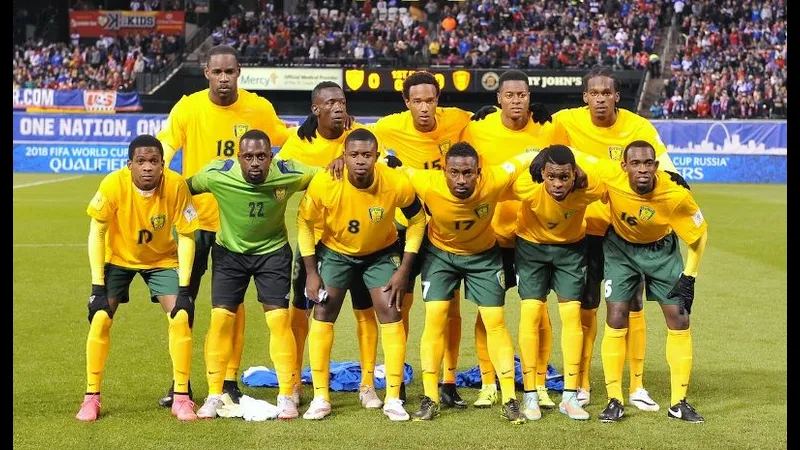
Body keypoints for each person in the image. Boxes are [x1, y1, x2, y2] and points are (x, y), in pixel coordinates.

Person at [156, 44, 291, 407]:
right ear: (207, 73)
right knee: (182, 300)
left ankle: (229, 381)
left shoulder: (258, 108)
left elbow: (289, 141)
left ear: (239, 72)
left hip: (240, 225)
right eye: (217, 72)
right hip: (196, 222)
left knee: (233, 307)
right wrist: (157, 172)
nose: (223, 78)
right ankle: (180, 382)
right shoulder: (189, 107)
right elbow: (166, 145)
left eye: (229, 72)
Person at [550, 65, 680, 410]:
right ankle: (581, 384)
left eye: (606, 93)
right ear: (585, 97)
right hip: (586, 230)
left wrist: (674, 183)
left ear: (617, 97)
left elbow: (665, 167)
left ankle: (636, 386)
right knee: (588, 305)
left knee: (633, 305)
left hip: (625, 232)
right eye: (594, 93)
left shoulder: (639, 127)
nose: (600, 99)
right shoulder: (565, 121)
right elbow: (537, 143)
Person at [296, 129, 427, 421]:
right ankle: (320, 397)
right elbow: (304, 222)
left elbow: (418, 221)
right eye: (353, 154)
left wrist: (404, 268)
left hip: (380, 253)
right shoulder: (326, 182)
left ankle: (390, 397)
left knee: (391, 311)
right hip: (335, 252)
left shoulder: (395, 182)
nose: (360, 160)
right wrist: (311, 272)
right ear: (343, 156)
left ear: (376, 156)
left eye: (366, 155)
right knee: (323, 311)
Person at [188, 129, 318, 420]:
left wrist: (337, 164)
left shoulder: (288, 173)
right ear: (239, 158)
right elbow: (182, 188)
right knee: (221, 320)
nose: (255, 163)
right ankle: (214, 395)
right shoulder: (217, 174)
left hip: (273, 254)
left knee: (279, 320)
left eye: (261, 156)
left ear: (271, 157)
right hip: (229, 254)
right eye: (248, 157)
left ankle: (286, 394)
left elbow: (323, 176)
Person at [404, 142, 534, 424]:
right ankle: (430, 398)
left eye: (467, 173)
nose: (461, 180)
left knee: (495, 322)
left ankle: (510, 400)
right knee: (435, 318)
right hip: (440, 256)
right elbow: (394, 169)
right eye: (454, 172)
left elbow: (525, 157)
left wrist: (544, 157)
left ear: (479, 172)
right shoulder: (426, 182)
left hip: (483, 257)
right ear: (444, 170)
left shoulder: (495, 179)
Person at [76, 135, 199, 422]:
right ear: (129, 164)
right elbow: (97, 232)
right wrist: (97, 286)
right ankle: (91, 397)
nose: (147, 167)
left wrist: (184, 289)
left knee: (181, 316)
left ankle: (182, 397)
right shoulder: (113, 184)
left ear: (162, 165)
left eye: (154, 161)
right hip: (118, 259)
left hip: (161, 260)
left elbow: (187, 235)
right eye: (141, 161)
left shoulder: (176, 185)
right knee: (100, 317)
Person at [278, 81, 382, 409]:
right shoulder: (299, 143)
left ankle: (367, 385)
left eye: (342, 102)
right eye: (331, 103)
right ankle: (294, 381)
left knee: (365, 311)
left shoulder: (358, 133)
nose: (339, 107)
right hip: (316, 242)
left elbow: (380, 161)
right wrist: (321, 171)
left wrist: (347, 159)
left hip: (360, 240)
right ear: (316, 109)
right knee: (301, 310)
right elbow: (278, 174)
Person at [460, 69, 558, 411]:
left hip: (534, 236)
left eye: (523, 95)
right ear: (498, 98)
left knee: (539, 313)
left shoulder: (548, 128)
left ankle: (540, 383)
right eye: (510, 95)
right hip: (491, 237)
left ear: (531, 98)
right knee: (488, 314)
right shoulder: (478, 128)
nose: (517, 101)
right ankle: (488, 382)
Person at [592, 140, 707, 424]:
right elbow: (578, 162)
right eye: (635, 163)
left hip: (662, 251)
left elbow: (699, 235)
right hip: (620, 249)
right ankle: (614, 400)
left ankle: (678, 403)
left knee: (679, 318)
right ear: (624, 166)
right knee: (616, 316)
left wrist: (690, 276)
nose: (642, 169)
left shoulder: (675, 194)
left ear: (656, 166)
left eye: (647, 163)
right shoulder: (609, 177)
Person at [508, 145, 604, 421]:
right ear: (542, 174)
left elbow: (599, 184)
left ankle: (570, 397)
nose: (558, 184)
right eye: (551, 177)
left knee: (572, 317)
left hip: (571, 251)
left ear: (575, 174)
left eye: (564, 177)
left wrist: (582, 173)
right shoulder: (527, 186)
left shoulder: (590, 188)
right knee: (531, 314)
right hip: (531, 248)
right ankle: (530, 395)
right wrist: (534, 157)